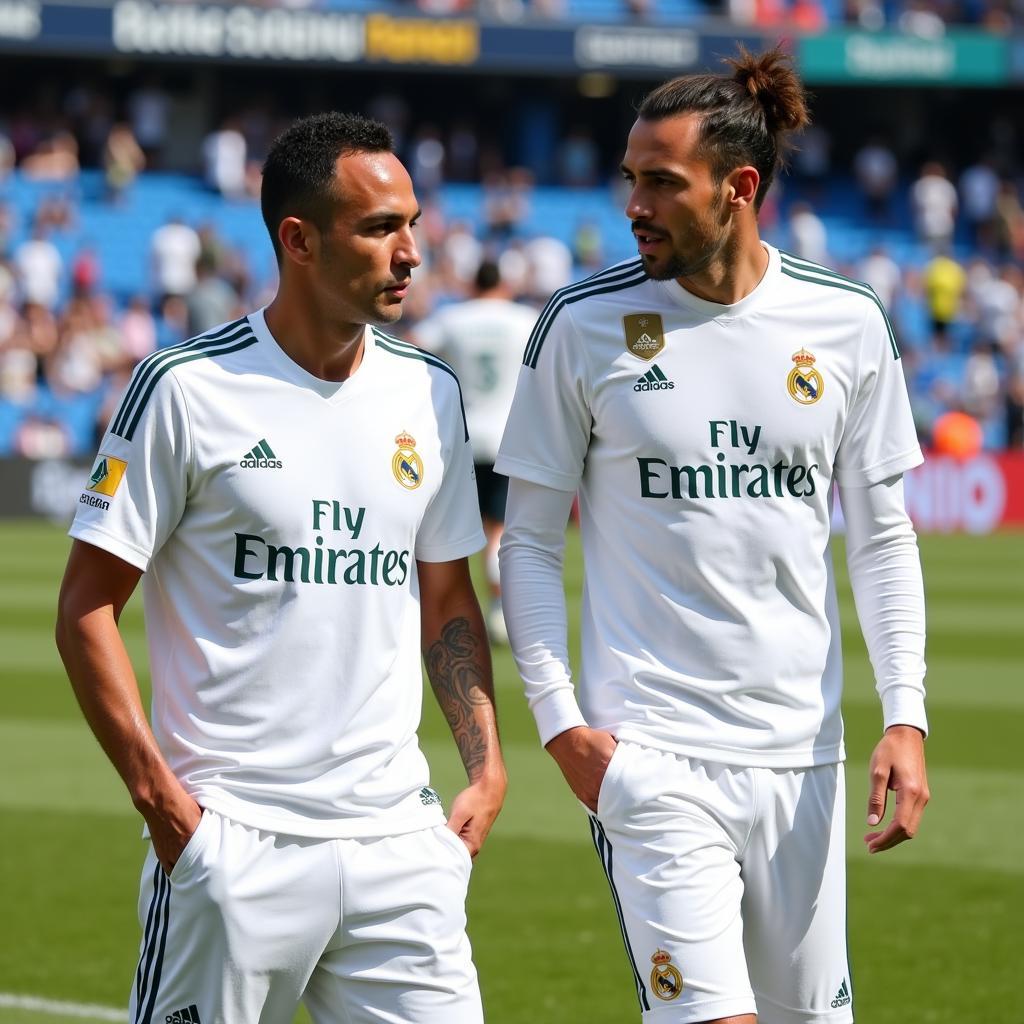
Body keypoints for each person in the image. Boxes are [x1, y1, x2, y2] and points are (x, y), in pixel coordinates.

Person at [497, 48, 928, 1024]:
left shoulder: (847, 321)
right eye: (629, 180)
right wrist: (562, 725)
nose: (634, 205)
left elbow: (880, 535)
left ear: (739, 188)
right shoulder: (581, 325)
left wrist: (904, 713)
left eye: (660, 182)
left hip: (801, 756)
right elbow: (526, 540)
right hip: (651, 755)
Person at [56, 111, 506, 1024]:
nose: (412, 252)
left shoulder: (431, 390)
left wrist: (488, 765)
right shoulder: (186, 387)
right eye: (381, 227)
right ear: (298, 240)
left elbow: (449, 594)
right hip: (234, 846)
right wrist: (167, 810)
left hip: (400, 845)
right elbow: (86, 608)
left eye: (413, 223)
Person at [415, 260, 537, 643]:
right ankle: (501, 610)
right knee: (500, 527)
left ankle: (447, 610)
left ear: (471, 284)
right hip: (508, 436)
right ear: (502, 283)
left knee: (454, 531)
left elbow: (414, 343)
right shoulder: (524, 318)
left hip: (461, 437)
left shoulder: (452, 318)